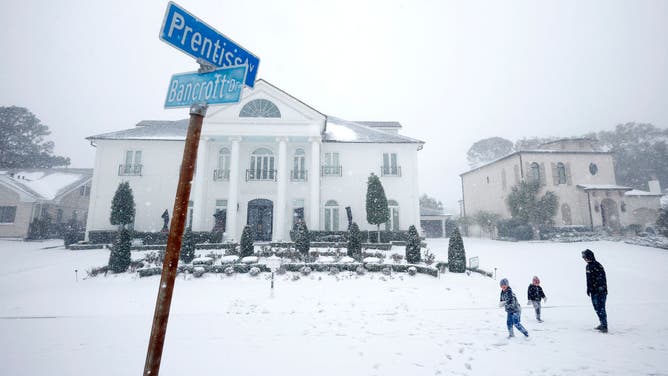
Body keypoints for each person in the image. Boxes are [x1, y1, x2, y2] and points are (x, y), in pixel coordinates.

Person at [582, 249, 608, 333]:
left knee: (601, 308)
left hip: (600, 291)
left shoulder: (597, 265)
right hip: (593, 291)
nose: (584, 259)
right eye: (583, 257)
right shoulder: (588, 266)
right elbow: (588, 279)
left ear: (589, 256)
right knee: (596, 308)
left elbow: (602, 278)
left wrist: (601, 287)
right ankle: (602, 323)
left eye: (585, 257)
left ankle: (604, 326)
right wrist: (588, 288)